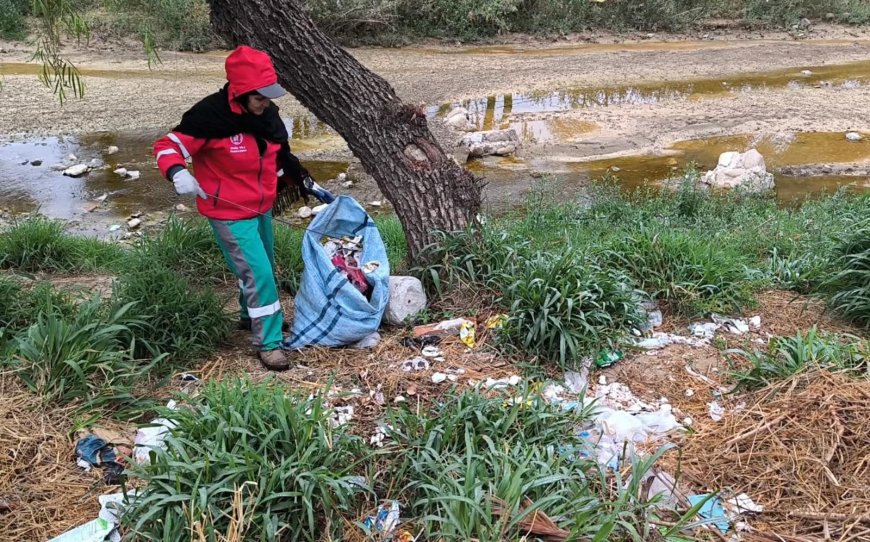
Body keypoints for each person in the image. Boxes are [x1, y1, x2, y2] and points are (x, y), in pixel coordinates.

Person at [154, 45, 307, 371]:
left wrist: (296, 178)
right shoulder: (210, 117)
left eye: (269, 95)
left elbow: (276, 154)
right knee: (260, 274)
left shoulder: (266, 116)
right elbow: (168, 146)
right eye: (259, 97)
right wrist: (177, 171)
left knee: (260, 266)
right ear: (239, 92)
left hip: (260, 207)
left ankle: (247, 316)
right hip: (228, 213)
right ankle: (269, 343)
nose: (266, 103)